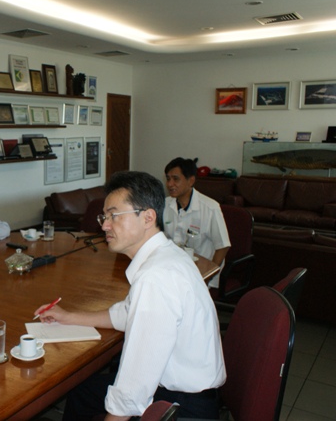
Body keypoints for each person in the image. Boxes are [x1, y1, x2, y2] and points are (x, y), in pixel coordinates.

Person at [35, 171, 226, 420]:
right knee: (83, 392)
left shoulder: (155, 277)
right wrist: (68, 317)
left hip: (182, 407)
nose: (104, 225)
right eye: (104, 216)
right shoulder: (167, 255)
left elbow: (134, 386)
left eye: (114, 215)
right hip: (190, 393)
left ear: (148, 217)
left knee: (96, 394)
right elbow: (126, 314)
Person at [163, 157, 230, 288]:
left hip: (200, 273)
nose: (170, 184)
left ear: (191, 181)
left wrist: (207, 277)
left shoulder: (210, 208)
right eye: (168, 179)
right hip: (173, 268)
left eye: (175, 179)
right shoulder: (165, 204)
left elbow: (223, 247)